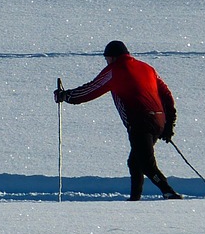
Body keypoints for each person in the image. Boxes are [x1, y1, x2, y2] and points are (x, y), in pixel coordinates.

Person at [55, 41, 183, 200]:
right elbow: (167, 95)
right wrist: (169, 124)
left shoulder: (115, 70)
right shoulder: (147, 68)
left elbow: (92, 89)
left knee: (146, 164)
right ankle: (135, 199)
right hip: (158, 120)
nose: (107, 62)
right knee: (135, 162)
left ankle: (168, 192)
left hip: (139, 122)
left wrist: (66, 96)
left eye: (107, 59)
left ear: (113, 57)